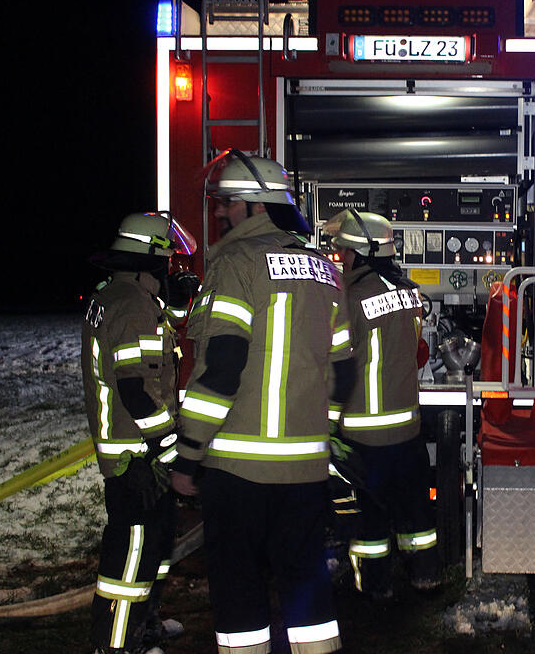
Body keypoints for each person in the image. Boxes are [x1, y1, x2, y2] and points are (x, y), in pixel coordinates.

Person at [170, 151, 355, 654]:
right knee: (309, 599)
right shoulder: (324, 270)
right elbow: (344, 370)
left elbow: (222, 369)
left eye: (227, 204)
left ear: (255, 207)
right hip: (306, 475)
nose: (219, 214)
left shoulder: (235, 265)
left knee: (240, 601)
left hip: (238, 473)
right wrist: (322, 438)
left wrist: (188, 456)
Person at [82, 211, 198, 654]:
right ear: (149, 260)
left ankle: (144, 624)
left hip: (140, 455)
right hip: (136, 459)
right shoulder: (131, 308)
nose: (172, 268)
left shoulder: (121, 297)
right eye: (168, 262)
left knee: (155, 548)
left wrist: (177, 304)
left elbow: (150, 331)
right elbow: (134, 389)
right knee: (129, 560)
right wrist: (170, 449)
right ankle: (116, 644)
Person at [322, 209, 439, 599]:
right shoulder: (409, 293)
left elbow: (338, 363)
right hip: (407, 429)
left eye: (345, 254)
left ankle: (375, 587)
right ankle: (426, 575)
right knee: (415, 513)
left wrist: (327, 423)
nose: (342, 259)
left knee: (370, 521)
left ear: (361, 253)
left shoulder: (351, 297)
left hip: (364, 433)